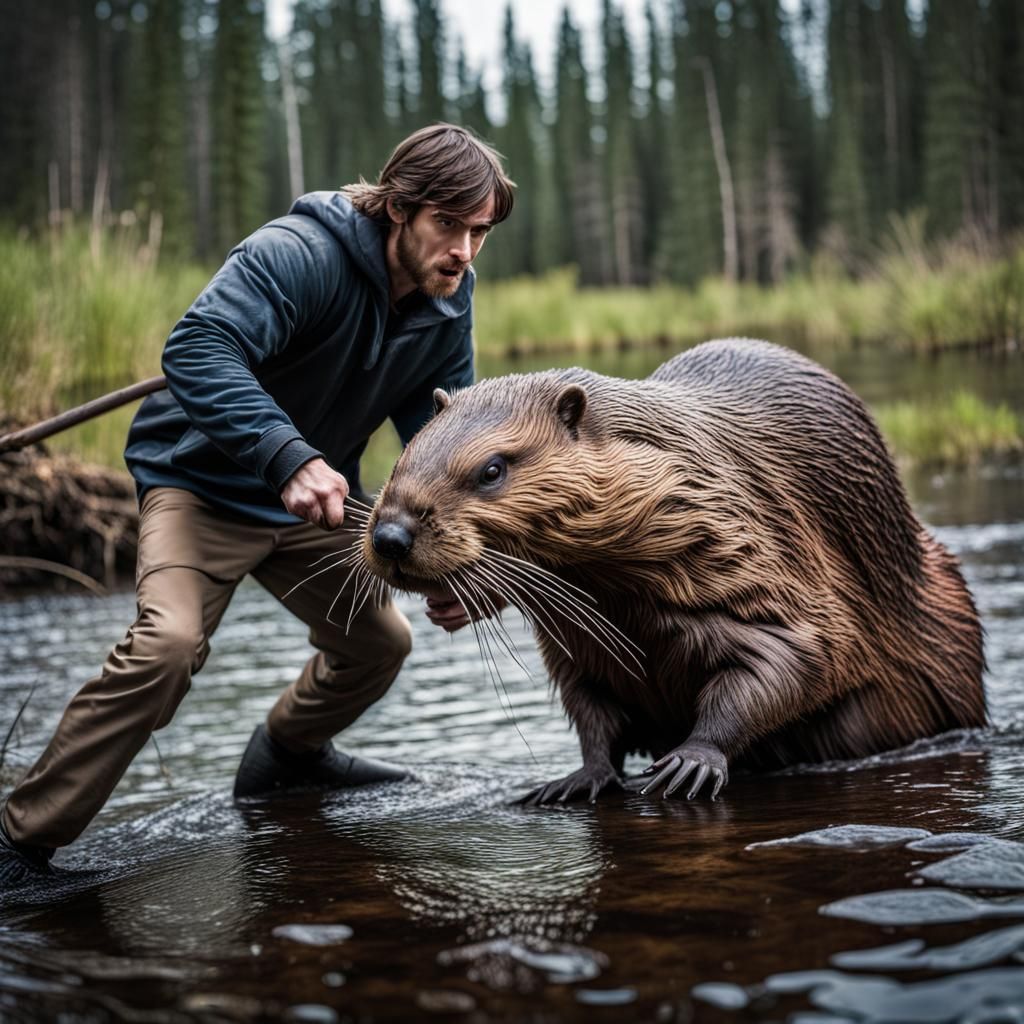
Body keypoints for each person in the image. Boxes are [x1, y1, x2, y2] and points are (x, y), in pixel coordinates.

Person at [0, 124, 515, 884]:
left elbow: (442, 434)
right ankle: (19, 844)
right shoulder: (298, 254)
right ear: (399, 208)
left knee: (381, 644)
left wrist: (470, 564)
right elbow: (197, 348)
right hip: (202, 486)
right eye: (450, 225)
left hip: (313, 502)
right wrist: (289, 458)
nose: (465, 252)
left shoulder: (448, 296)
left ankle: (285, 759)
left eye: (480, 233)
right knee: (169, 645)